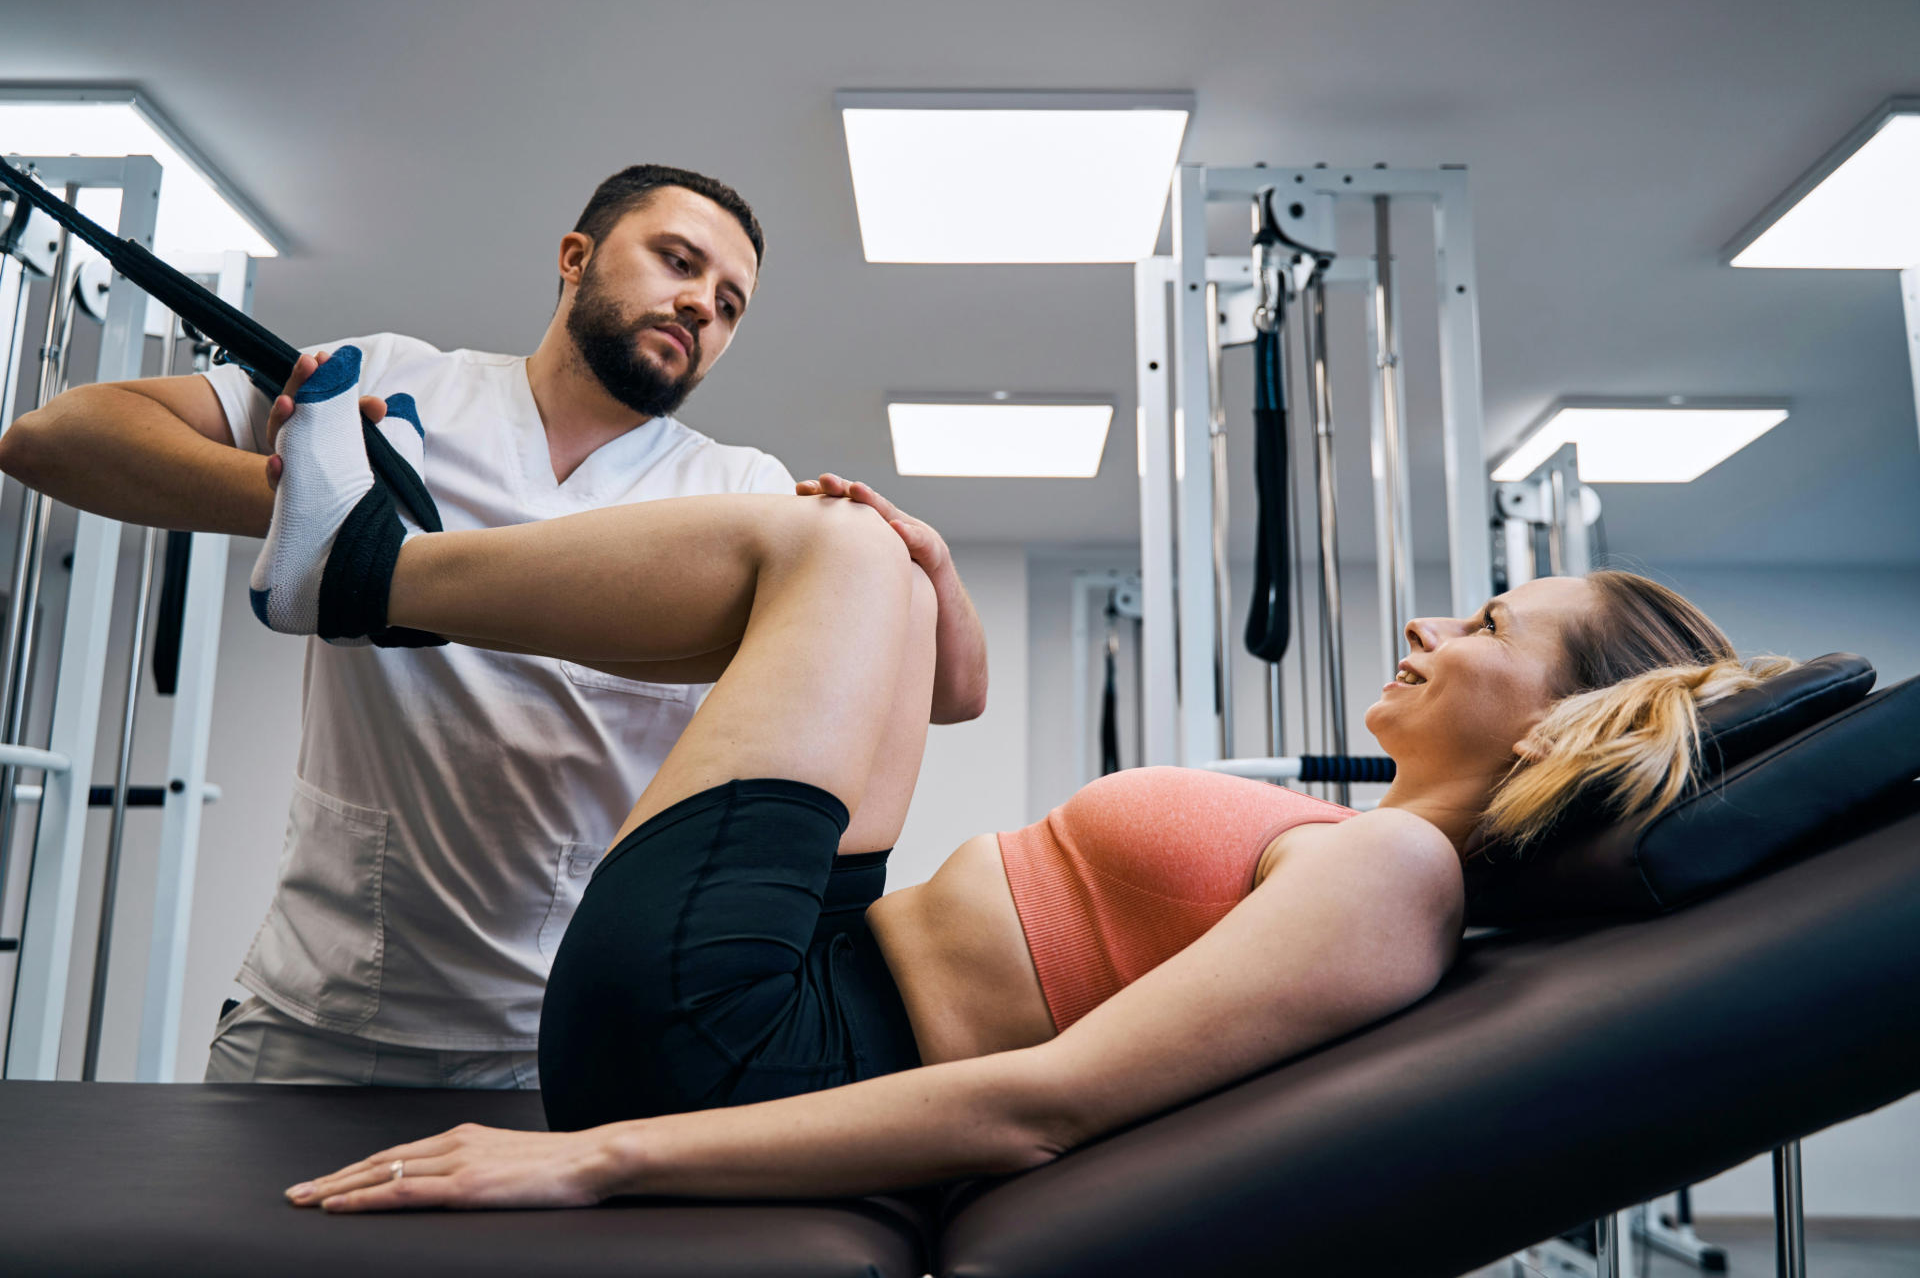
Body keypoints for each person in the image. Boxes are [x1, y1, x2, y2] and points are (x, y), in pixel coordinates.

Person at [249, 351, 1790, 1210]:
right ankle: (372, 567)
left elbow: (1042, 1106)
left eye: (1493, 625)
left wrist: (595, 1157)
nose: (1432, 623)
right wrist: (915, 599)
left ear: (1560, 725)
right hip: (801, 980)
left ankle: (368, 569)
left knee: (829, 548)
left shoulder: (1400, 877)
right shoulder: (1376, 856)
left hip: (731, 1039)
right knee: (872, 569)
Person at [0, 164, 989, 1087]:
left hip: (554, 1036)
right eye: (678, 262)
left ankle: (375, 576)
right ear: (576, 257)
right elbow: (50, 438)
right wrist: (310, 504)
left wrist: (929, 566)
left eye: (730, 303)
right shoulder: (395, 385)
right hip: (317, 1013)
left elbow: (951, 690)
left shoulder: (739, 491)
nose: (701, 304)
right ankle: (365, 569)